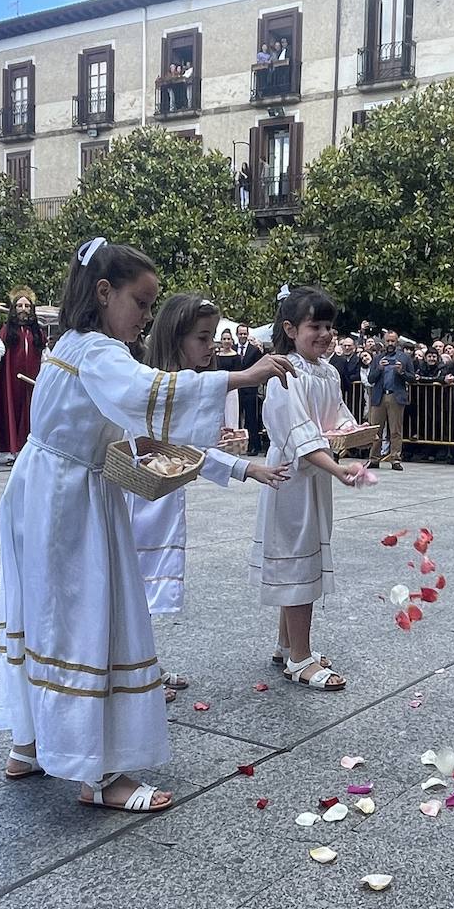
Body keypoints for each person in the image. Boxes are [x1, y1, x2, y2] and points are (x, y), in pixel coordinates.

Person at [0, 238, 294, 813]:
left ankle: (29, 742)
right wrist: (240, 377)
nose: (145, 318)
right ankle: (100, 774)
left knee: (42, 612)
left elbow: (130, 420)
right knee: (89, 619)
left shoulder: (72, 344)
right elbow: (145, 392)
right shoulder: (101, 351)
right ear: (104, 293)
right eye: (140, 301)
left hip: (41, 490)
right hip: (71, 498)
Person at [134, 294, 290, 697]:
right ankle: (134, 671)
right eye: (202, 338)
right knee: (129, 589)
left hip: (160, 497)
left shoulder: (182, 380)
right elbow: (166, 427)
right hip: (132, 500)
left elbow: (191, 449)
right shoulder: (151, 382)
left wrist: (247, 468)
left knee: (140, 592)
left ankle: (143, 662)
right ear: (174, 337)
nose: (210, 348)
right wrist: (245, 375)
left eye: (212, 338)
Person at [249, 286, 361, 692]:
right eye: (316, 325)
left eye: (329, 326)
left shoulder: (327, 371)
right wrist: (336, 468)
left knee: (302, 555)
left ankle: (287, 645)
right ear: (290, 328)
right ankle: (300, 658)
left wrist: (353, 431)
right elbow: (297, 433)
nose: (325, 334)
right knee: (298, 561)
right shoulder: (284, 372)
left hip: (316, 474)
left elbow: (338, 416)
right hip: (291, 478)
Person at [0, 288, 45, 463]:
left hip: (33, 380)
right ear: (14, 308)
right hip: (11, 381)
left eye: (27, 305)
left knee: (32, 413)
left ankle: (31, 451)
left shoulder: (37, 331)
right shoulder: (7, 330)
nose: (23, 308)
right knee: (13, 411)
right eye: (19, 305)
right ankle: (13, 451)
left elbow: (45, 354)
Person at [366, 328, 415, 472]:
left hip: (395, 395)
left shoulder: (404, 358)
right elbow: (370, 379)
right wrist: (379, 368)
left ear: (397, 342)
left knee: (395, 430)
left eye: (393, 341)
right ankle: (374, 459)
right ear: (384, 341)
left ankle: (395, 459)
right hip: (379, 396)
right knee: (376, 429)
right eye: (388, 341)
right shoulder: (377, 358)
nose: (390, 343)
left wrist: (402, 372)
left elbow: (412, 378)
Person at [233, 323, 265, 454]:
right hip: (236, 389)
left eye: (245, 334)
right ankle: (237, 445)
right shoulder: (233, 349)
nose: (243, 336)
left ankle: (253, 445)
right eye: (240, 334)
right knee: (235, 418)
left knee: (251, 419)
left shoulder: (254, 350)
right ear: (237, 335)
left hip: (250, 389)